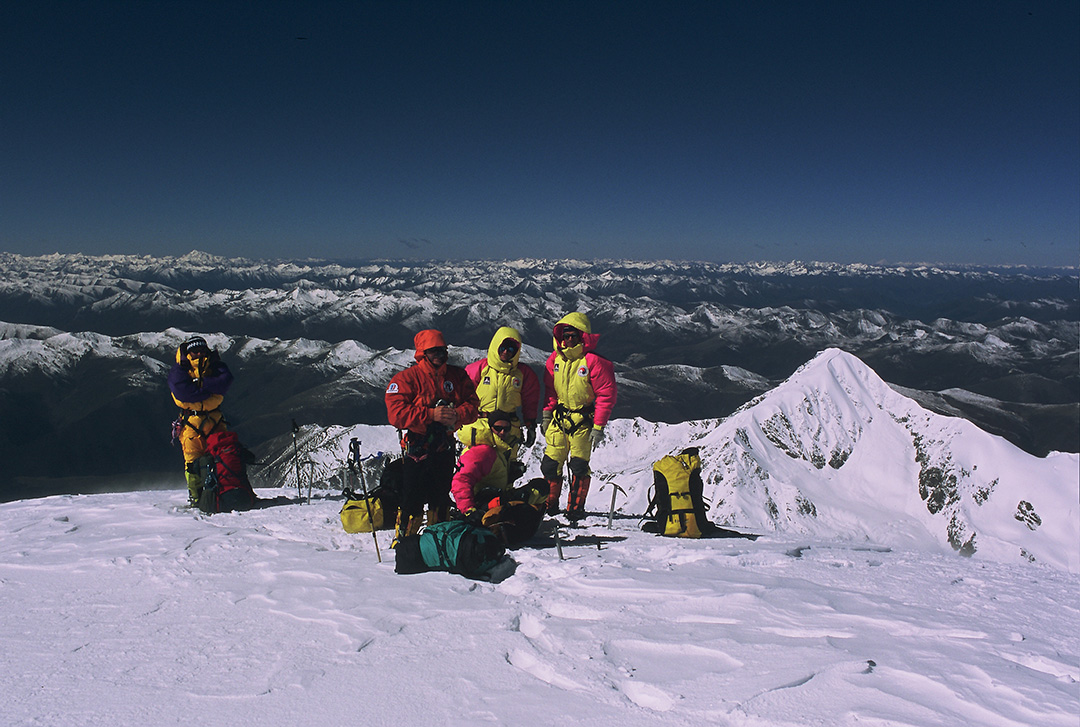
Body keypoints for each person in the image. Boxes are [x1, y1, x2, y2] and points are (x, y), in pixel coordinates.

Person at [385, 329, 480, 543]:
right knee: (412, 499)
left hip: (444, 446)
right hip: (418, 448)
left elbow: (473, 406)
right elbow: (396, 414)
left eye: (442, 350)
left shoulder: (457, 376)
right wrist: (430, 415)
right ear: (422, 353)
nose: (439, 354)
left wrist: (455, 415)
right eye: (433, 351)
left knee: (440, 498)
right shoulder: (407, 379)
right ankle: (405, 542)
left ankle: (438, 543)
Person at [540, 312, 617, 521]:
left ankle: (575, 508)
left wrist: (598, 426)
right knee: (550, 463)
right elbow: (550, 390)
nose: (569, 339)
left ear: (583, 336)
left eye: (574, 335)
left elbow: (606, 395)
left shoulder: (593, 362)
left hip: (583, 420)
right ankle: (549, 505)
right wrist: (547, 415)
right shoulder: (555, 360)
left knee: (579, 466)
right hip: (560, 418)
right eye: (566, 335)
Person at [451, 410, 548, 545]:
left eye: (506, 428)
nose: (502, 432)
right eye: (498, 428)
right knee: (535, 494)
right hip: (481, 505)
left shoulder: (497, 449)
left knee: (539, 489)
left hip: (494, 498)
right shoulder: (483, 451)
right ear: (490, 428)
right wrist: (469, 511)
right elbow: (461, 480)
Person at [168, 336, 234, 506]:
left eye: (202, 351)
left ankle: (221, 493)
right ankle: (198, 497)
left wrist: (198, 385)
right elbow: (182, 393)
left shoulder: (211, 365)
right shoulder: (181, 369)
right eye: (195, 351)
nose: (199, 354)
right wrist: (210, 391)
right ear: (188, 352)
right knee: (193, 462)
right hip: (196, 421)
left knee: (222, 456)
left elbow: (225, 382)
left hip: (207, 419)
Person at [462, 326, 540, 463]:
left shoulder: (523, 374)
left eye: (511, 350)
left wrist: (530, 424)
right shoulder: (479, 369)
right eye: (502, 347)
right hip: (481, 426)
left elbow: (530, 401)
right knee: (475, 463)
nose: (506, 352)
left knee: (507, 469)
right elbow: (463, 396)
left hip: (508, 429)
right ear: (495, 346)